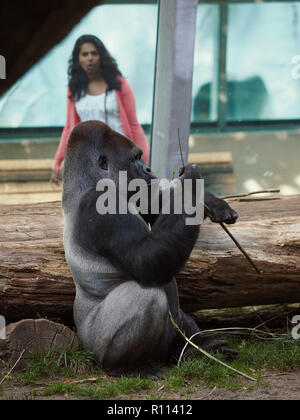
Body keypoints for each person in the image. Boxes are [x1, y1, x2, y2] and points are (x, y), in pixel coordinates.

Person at [50, 34, 149, 186]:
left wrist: (146, 159)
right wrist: (58, 161)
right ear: (78, 59)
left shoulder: (119, 85)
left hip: (120, 156)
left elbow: (134, 124)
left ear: (101, 57)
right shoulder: (74, 89)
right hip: (90, 160)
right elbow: (70, 128)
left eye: (94, 53)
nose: (89, 58)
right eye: (85, 54)